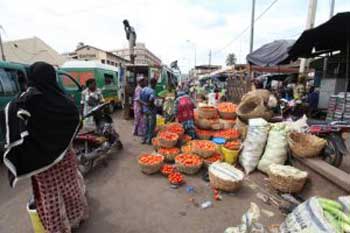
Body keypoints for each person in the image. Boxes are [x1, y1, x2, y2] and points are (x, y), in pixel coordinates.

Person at [3, 62, 88, 233]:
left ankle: (59, 229)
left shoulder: (26, 102)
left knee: (51, 197)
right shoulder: (64, 101)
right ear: (53, 78)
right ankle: (75, 220)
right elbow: (76, 120)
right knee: (71, 189)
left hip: (42, 163)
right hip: (65, 157)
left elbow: (12, 114)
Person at [140, 77, 157, 144]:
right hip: (151, 111)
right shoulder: (152, 91)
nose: (155, 85)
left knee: (145, 125)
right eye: (155, 84)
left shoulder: (143, 89)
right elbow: (151, 100)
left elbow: (140, 100)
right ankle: (149, 140)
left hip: (145, 110)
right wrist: (149, 104)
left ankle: (144, 139)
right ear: (153, 83)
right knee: (151, 126)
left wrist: (144, 105)